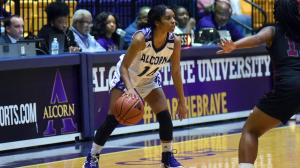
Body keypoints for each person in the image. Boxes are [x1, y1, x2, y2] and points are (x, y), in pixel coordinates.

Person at [83, 4, 188, 168]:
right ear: (157, 23)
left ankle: (167, 156)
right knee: (113, 118)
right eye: (168, 18)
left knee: (165, 116)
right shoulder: (141, 39)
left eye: (174, 18)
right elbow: (124, 66)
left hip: (148, 79)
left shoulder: (175, 41)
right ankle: (92, 157)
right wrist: (130, 90)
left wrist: (182, 101)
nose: (173, 21)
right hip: (127, 77)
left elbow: (175, 72)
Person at [217, 0, 300, 167]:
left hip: (290, 87)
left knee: (251, 130)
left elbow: (256, 39)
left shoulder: (272, 30)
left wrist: (234, 45)